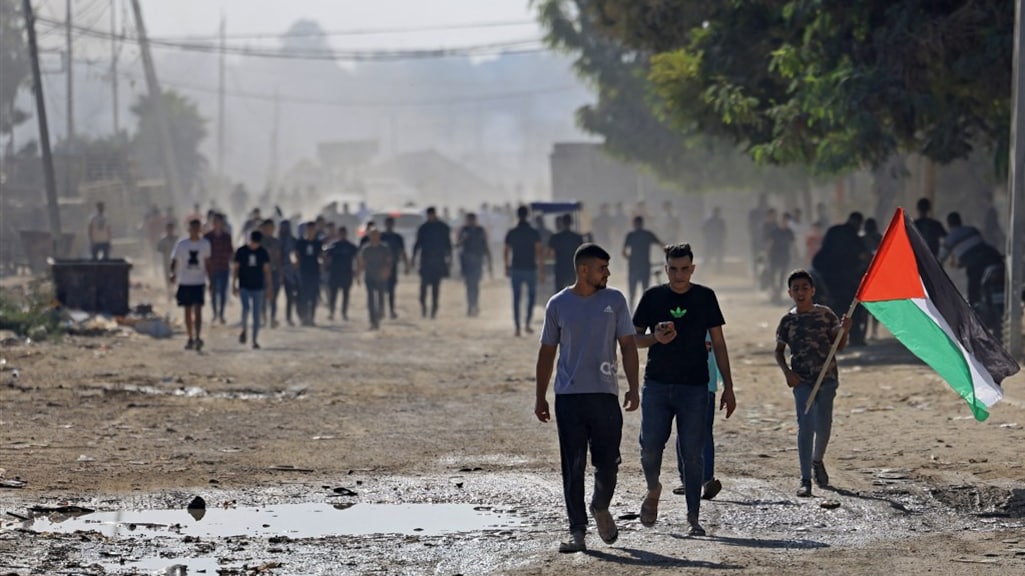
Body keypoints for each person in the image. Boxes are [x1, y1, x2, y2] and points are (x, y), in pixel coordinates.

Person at [534, 243, 640, 553]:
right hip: (569, 397)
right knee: (574, 465)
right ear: (584, 270)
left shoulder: (615, 300)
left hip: (605, 395)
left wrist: (634, 387)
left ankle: (600, 506)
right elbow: (547, 352)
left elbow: (628, 346)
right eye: (602, 268)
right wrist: (540, 396)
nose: (608, 273)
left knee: (608, 463)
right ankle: (577, 530)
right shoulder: (557, 304)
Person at [632, 243, 737, 536]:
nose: (679, 275)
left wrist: (728, 387)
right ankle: (653, 489)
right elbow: (631, 339)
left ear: (692, 268)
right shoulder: (652, 297)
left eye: (684, 269)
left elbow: (719, 344)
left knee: (693, 453)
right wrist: (655, 338)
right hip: (657, 385)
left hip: (695, 387)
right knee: (650, 448)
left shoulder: (705, 297)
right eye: (673, 269)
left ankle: (693, 516)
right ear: (666, 269)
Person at [774, 270, 852, 497]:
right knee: (806, 426)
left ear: (813, 291)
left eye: (805, 288)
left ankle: (817, 460)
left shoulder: (826, 315)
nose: (801, 292)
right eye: (796, 289)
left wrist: (845, 331)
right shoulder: (788, 320)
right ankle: (805, 478)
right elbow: (778, 351)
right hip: (802, 380)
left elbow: (839, 346)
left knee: (824, 424)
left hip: (826, 379)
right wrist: (787, 373)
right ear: (790, 293)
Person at [673, 332, 722, 501]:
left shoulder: (710, 326)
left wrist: (725, 384)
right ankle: (689, 479)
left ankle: (705, 479)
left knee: (703, 432)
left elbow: (719, 351)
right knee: (685, 431)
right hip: (682, 385)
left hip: (706, 386)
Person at [813, 212, 869, 346]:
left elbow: (823, 250)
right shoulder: (854, 236)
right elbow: (863, 255)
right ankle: (855, 338)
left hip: (827, 275)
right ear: (857, 223)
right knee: (852, 309)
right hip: (845, 278)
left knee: (832, 307)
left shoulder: (834, 230)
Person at [939, 212, 1004, 307]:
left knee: (973, 292)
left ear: (948, 224)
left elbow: (940, 259)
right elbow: (974, 246)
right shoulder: (972, 230)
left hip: (976, 264)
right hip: (992, 255)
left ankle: (976, 308)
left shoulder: (949, 239)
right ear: (960, 221)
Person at [170, 219, 212, 351]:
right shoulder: (182, 244)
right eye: (193, 228)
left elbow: (207, 263)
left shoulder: (205, 244)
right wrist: (173, 274)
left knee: (198, 310)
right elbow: (174, 260)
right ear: (189, 229)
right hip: (185, 281)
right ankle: (190, 337)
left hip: (199, 281)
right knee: (187, 311)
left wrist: (210, 280)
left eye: (197, 228)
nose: (195, 231)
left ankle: (198, 336)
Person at [505, 205, 544, 336]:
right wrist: (541, 269)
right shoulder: (533, 232)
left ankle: (517, 327)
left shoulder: (512, 232)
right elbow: (539, 252)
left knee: (516, 298)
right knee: (531, 297)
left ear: (517, 215)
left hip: (516, 267)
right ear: (527, 215)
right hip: (530, 268)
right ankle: (527, 323)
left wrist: (506, 266)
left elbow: (506, 251)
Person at [232, 230, 272, 349]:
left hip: (258, 286)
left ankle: (254, 339)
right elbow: (236, 269)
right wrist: (233, 284)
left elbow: (267, 270)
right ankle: (244, 329)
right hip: (244, 285)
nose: (254, 245)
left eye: (256, 243)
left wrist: (269, 286)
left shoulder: (263, 252)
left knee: (256, 314)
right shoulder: (241, 251)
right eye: (253, 242)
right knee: (245, 308)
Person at [412, 207, 452, 319]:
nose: (430, 217)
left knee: (435, 288)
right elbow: (418, 243)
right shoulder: (423, 228)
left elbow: (448, 245)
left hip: (438, 261)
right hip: (426, 260)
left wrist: (449, 260)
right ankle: (423, 307)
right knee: (423, 288)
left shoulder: (443, 227)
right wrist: (413, 258)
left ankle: (434, 309)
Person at [622, 216, 662, 308]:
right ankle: (645, 310)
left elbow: (623, 253)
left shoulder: (631, 235)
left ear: (634, 224)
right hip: (645, 266)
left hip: (634, 267)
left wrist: (631, 259)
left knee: (632, 293)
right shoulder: (648, 234)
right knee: (645, 291)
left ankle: (631, 311)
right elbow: (661, 244)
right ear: (642, 223)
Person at [357, 227, 393, 330]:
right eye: (372, 235)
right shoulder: (366, 249)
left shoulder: (384, 248)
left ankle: (380, 312)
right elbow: (361, 262)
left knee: (381, 297)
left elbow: (389, 261)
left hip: (381, 277)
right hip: (369, 277)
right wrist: (358, 275)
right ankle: (373, 321)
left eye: (376, 235)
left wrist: (387, 270)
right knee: (371, 299)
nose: (374, 237)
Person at [457, 212, 492, 317]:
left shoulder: (480, 230)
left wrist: (489, 262)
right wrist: (463, 239)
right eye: (469, 220)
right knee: (469, 286)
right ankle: (470, 305)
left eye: (472, 220)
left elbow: (485, 245)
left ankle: (475, 305)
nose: (471, 222)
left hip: (477, 260)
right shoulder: (464, 230)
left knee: (475, 285)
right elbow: (457, 245)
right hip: (467, 261)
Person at [203, 213, 234, 325]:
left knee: (223, 292)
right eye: (215, 221)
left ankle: (221, 314)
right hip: (212, 268)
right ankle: (214, 313)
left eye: (219, 221)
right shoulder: (207, 237)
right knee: (213, 291)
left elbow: (230, 251)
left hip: (224, 267)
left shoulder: (227, 236)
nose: (217, 223)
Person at [325, 226, 358, 321]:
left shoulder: (350, 246)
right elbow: (327, 256)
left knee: (346, 295)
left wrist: (356, 271)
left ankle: (344, 313)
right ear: (338, 234)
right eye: (341, 233)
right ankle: (331, 312)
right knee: (333, 295)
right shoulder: (333, 245)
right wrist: (325, 267)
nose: (342, 235)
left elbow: (357, 258)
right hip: (334, 273)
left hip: (346, 274)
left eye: (343, 233)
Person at [381, 216, 411, 319]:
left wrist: (406, 265)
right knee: (381, 288)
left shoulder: (398, 238)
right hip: (381, 266)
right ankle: (381, 310)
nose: (389, 226)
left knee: (391, 289)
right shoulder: (381, 237)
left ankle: (391, 310)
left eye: (390, 224)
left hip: (393, 266)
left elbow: (402, 252)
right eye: (388, 223)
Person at [294, 221, 323, 326]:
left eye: (312, 229)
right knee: (303, 296)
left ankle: (311, 318)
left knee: (313, 296)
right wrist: (295, 262)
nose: (311, 231)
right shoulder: (301, 242)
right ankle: (304, 317)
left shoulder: (318, 243)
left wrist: (321, 263)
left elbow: (320, 255)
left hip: (314, 272)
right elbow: (295, 254)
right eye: (309, 229)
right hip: (303, 272)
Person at [548, 214, 584, 292]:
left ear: (562, 223)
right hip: (573, 269)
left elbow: (550, 253)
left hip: (560, 268)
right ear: (571, 223)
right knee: (574, 293)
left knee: (559, 293)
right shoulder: (578, 237)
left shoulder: (555, 237)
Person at [767, 212, 796, 303]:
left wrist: (795, 255)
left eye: (786, 221)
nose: (784, 222)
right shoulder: (774, 231)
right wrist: (767, 254)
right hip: (774, 256)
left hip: (785, 256)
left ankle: (778, 294)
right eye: (783, 220)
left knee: (782, 277)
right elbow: (769, 243)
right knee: (772, 276)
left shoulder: (789, 232)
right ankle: (774, 292)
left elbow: (793, 245)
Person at [258, 219, 282, 328]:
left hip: (274, 271)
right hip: (261, 272)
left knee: (274, 297)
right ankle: (264, 317)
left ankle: (272, 318)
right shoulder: (259, 242)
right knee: (262, 297)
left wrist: (280, 273)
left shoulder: (276, 242)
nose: (269, 230)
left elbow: (278, 258)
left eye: (271, 228)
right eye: (267, 228)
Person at [278, 220, 300, 327]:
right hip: (277, 271)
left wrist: (294, 263)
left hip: (290, 271)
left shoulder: (293, 241)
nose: (284, 229)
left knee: (290, 296)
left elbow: (294, 254)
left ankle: (289, 317)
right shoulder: (277, 241)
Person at [155, 220, 179, 300]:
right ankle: (169, 293)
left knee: (176, 277)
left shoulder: (177, 239)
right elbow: (158, 248)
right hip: (166, 262)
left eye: (171, 228)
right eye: (169, 228)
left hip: (176, 263)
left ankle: (176, 292)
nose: (170, 230)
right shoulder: (163, 240)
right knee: (167, 279)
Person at [702, 207, 726, 273]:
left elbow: (723, 231)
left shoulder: (716, 220)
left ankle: (716, 270)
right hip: (714, 240)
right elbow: (723, 231)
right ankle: (705, 269)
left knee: (716, 256)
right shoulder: (715, 220)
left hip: (714, 240)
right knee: (711, 255)